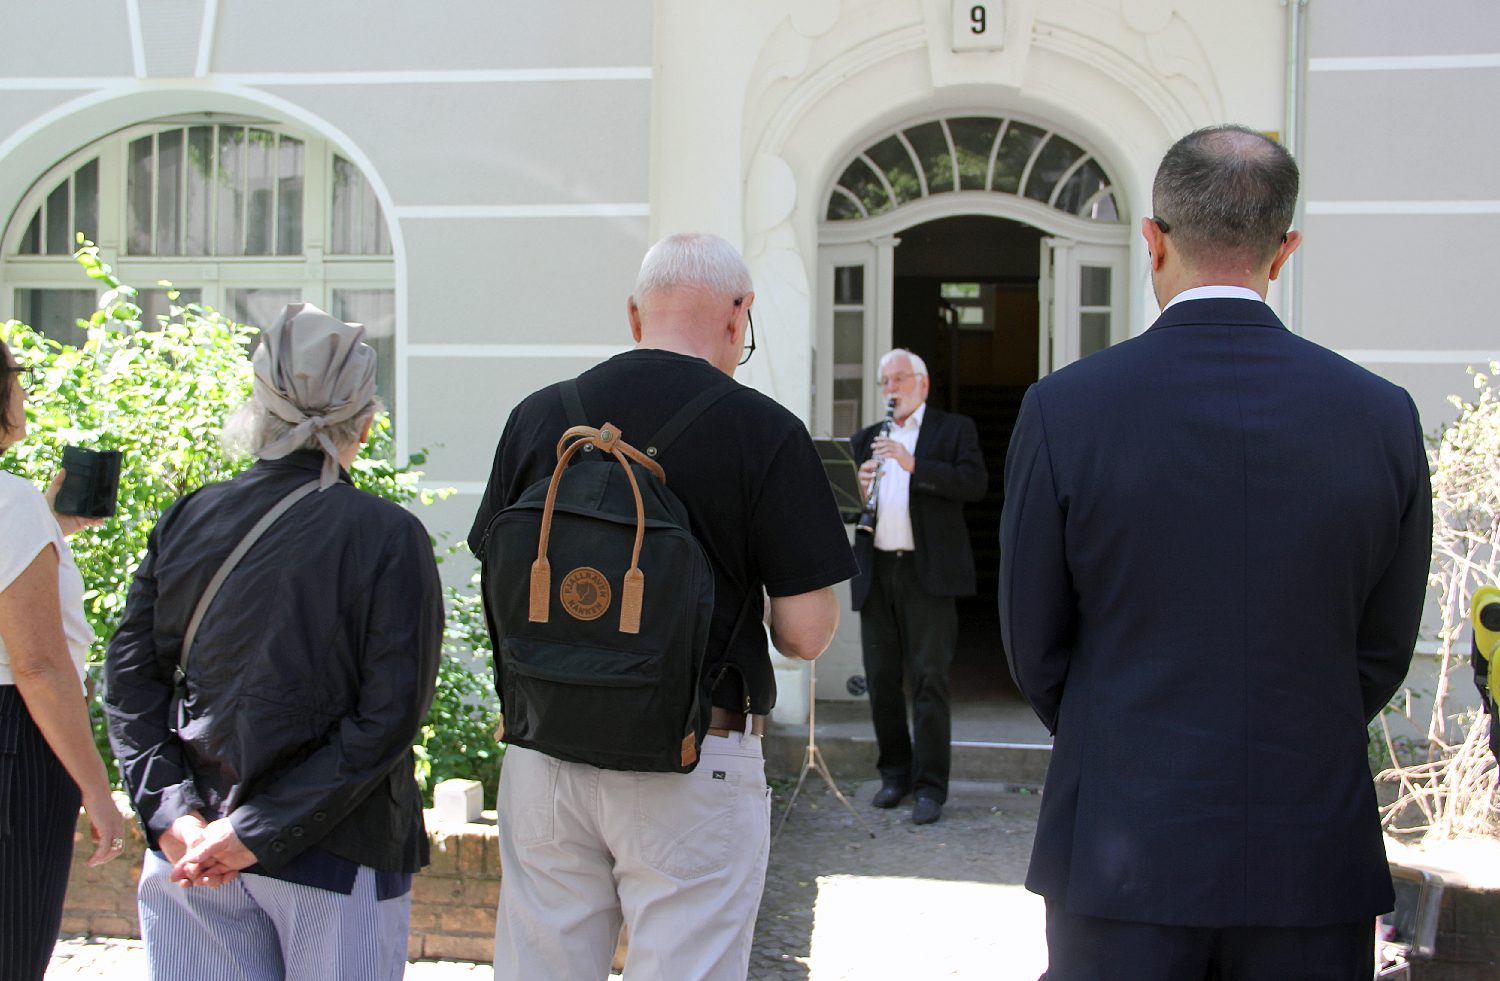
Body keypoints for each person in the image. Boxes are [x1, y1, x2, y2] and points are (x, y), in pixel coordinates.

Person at [1000, 125, 1432, 980]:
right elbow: (1383, 646)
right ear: (1286, 250)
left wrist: (1115, 729)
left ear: (1153, 240)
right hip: (1309, 844)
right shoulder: (1380, 415)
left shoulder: (1067, 409)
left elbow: (1032, 638)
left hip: (1124, 840)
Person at [469, 232, 857, 980]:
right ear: (739, 314)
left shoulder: (539, 415)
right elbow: (805, 634)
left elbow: (501, 574)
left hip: (546, 748)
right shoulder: (767, 432)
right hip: (693, 757)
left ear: (635, 314)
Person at [104, 304, 443, 980]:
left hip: (192, 850)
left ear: (258, 404)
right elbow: (388, 719)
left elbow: (129, 679)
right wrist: (252, 830)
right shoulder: (387, 536)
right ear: (366, 423)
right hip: (335, 851)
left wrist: (173, 812)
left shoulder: (190, 515)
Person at [0, 339, 126, 980]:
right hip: (15, 743)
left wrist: (48, 527)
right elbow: (39, 667)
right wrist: (97, 790)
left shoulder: (22, 511)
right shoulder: (8, 500)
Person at [850, 349, 987, 825]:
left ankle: (931, 788)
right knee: (882, 678)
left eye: (899, 380)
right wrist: (860, 486)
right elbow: (849, 509)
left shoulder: (954, 431)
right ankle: (895, 775)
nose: (891, 389)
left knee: (930, 678)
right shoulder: (867, 439)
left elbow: (974, 484)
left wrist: (913, 464)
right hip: (879, 570)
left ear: (923, 384)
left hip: (929, 574)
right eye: (885, 381)